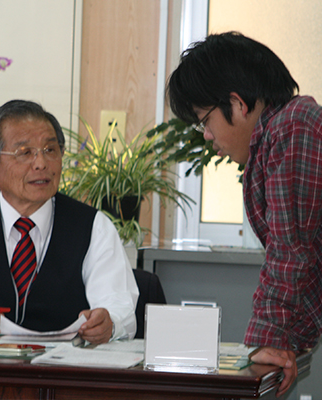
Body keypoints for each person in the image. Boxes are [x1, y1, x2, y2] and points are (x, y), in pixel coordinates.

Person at [167, 31, 322, 397]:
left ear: (237, 104)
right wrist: (282, 345)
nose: (206, 135)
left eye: (205, 120)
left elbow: (292, 251)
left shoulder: (293, 126)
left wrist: (268, 339)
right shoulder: (275, 138)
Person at [0, 100, 139, 345]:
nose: (41, 163)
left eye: (50, 150)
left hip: (67, 374)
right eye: (24, 152)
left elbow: (120, 306)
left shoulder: (94, 227)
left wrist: (109, 323)